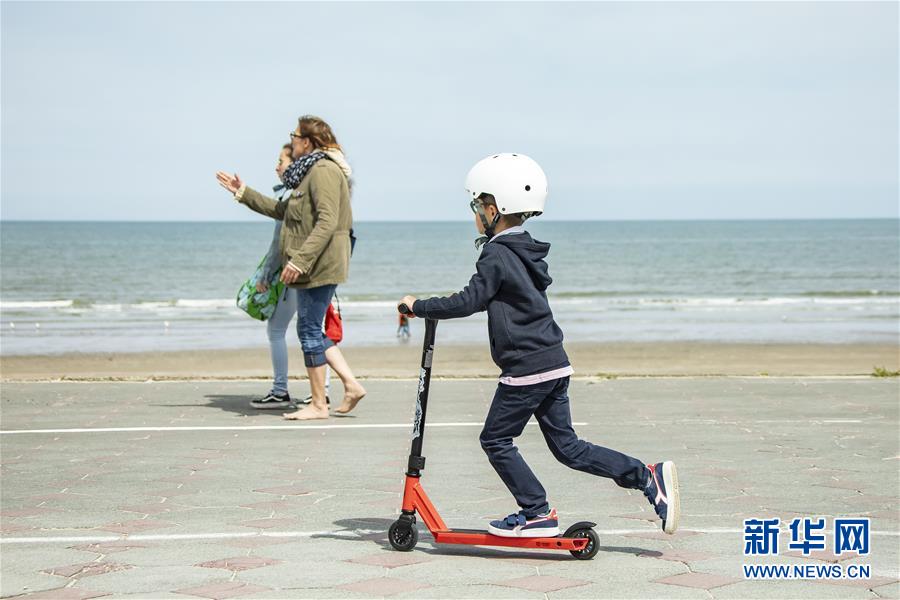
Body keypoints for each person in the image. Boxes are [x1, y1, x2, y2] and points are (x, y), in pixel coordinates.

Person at [399, 153, 680, 538]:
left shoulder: (496, 253)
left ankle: (536, 511)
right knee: (569, 448)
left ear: (493, 209)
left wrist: (420, 306)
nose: (475, 213)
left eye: (476, 205)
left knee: (495, 439)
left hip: (527, 368)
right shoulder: (524, 249)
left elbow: (470, 299)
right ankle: (646, 477)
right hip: (553, 362)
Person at [217, 116, 366, 420]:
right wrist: (243, 192)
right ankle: (350, 386)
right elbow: (283, 211)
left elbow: (327, 221)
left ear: (307, 142)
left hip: (319, 265)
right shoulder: (309, 172)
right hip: (317, 263)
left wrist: (300, 260)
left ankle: (320, 404)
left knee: (309, 330)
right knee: (310, 328)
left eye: (295, 136)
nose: (292, 140)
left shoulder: (323, 170)